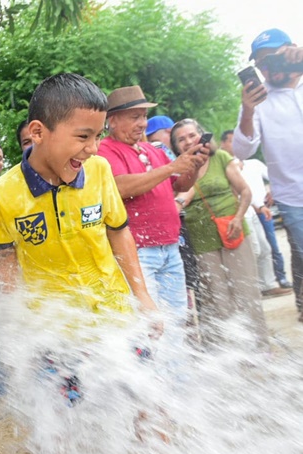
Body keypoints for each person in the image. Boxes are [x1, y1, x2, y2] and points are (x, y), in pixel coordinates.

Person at [0, 73, 213, 454]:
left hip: (113, 315)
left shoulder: (101, 174)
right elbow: (3, 256)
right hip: (52, 324)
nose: (92, 148)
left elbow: (118, 231)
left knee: (148, 404)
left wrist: (143, 298)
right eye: (83, 137)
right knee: (52, 415)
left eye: (96, 136)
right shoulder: (3, 194)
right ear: (37, 132)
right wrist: (13, 321)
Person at [97, 86, 205, 337]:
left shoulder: (151, 150)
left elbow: (180, 185)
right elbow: (119, 187)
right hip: (139, 252)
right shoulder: (105, 151)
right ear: (112, 120)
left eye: (144, 116)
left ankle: (175, 375)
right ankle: (157, 375)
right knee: (151, 328)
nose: (142, 123)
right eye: (135, 117)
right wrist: (171, 168)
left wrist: (194, 166)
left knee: (176, 322)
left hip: (170, 247)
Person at [171, 119, 269, 351]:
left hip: (233, 231)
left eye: (192, 135)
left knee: (246, 292)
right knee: (217, 297)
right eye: (181, 139)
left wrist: (238, 217)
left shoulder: (221, 158)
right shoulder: (176, 169)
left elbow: (245, 192)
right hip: (202, 238)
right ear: (176, 147)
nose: (188, 141)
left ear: (202, 136)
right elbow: (180, 197)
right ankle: (228, 352)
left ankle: (259, 348)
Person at [233, 28, 303, 322]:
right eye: (260, 64)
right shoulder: (257, 104)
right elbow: (243, 149)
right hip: (293, 197)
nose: (266, 68)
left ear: (289, 51)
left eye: (271, 59)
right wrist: (247, 111)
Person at [220, 129, 292, 297]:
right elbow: (234, 191)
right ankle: (250, 289)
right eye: (231, 141)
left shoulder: (247, 163)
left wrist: (259, 206)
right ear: (223, 143)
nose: (235, 145)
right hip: (237, 215)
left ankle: (267, 285)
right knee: (254, 250)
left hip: (253, 212)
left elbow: (245, 191)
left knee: (266, 248)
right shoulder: (224, 164)